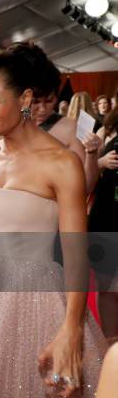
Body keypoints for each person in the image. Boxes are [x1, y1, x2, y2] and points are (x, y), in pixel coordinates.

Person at [0, 42, 107, 398]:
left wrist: (72, 327)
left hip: (37, 295)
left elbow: (76, 253)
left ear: (25, 99)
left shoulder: (61, 163)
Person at [30, 74, 99, 194]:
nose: (42, 108)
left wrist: (91, 153)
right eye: (35, 102)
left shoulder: (70, 128)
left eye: (49, 101)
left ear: (56, 98)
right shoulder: (16, 121)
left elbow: (86, 186)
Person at [88, 106, 118, 343]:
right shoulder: (106, 130)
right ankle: (110, 344)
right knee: (106, 284)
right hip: (105, 217)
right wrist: (100, 161)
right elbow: (86, 176)